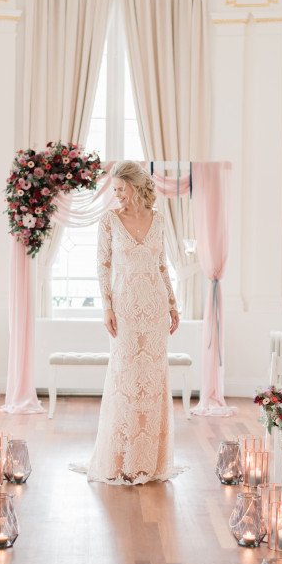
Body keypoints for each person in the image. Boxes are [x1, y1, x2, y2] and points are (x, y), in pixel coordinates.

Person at [72, 161, 184, 485]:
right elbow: (102, 266)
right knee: (125, 383)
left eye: (121, 188)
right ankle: (120, 460)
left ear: (135, 187)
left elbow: (162, 266)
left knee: (152, 385)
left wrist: (173, 307)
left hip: (155, 310)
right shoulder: (109, 221)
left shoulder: (158, 220)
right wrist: (106, 307)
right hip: (125, 311)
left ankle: (148, 463)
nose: (117, 195)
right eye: (115, 189)